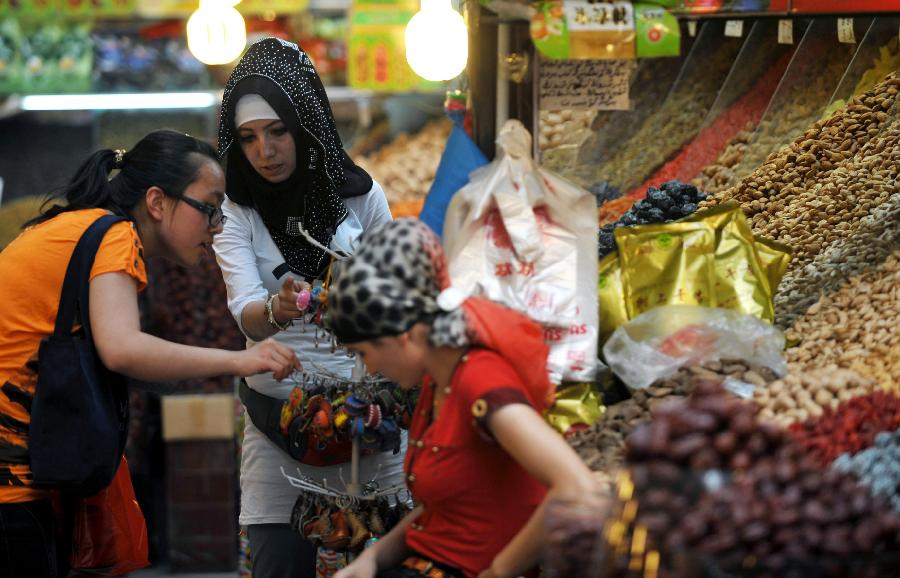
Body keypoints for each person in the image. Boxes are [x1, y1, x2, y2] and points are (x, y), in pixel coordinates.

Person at [0, 129, 300, 578]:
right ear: (158, 202)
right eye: (210, 209)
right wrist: (241, 359)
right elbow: (123, 349)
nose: (217, 228)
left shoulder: (83, 225)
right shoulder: (113, 234)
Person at [213, 37, 404, 578]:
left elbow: (398, 296)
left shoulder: (361, 197)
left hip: (371, 421)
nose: (264, 152)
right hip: (280, 425)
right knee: (277, 562)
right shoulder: (236, 210)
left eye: (278, 132)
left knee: (384, 560)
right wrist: (277, 309)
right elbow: (245, 309)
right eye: (248, 138)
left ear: (306, 124)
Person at [327, 219, 602, 578]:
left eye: (364, 352)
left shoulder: (481, 383)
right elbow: (447, 508)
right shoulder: (438, 383)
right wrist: (372, 561)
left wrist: (499, 572)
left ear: (403, 336)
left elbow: (578, 490)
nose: (371, 366)